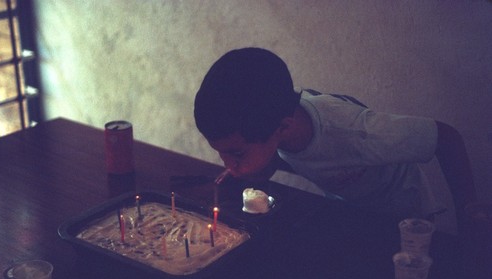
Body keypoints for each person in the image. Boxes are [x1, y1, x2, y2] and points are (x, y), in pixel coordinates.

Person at [194, 47, 476, 234]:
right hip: (349, 209)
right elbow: (276, 157)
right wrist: (248, 171)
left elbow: (445, 138)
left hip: (402, 217)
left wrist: (470, 217)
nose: (228, 165)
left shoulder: (354, 133)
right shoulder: (276, 118)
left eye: (237, 154)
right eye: (222, 154)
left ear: (283, 127)